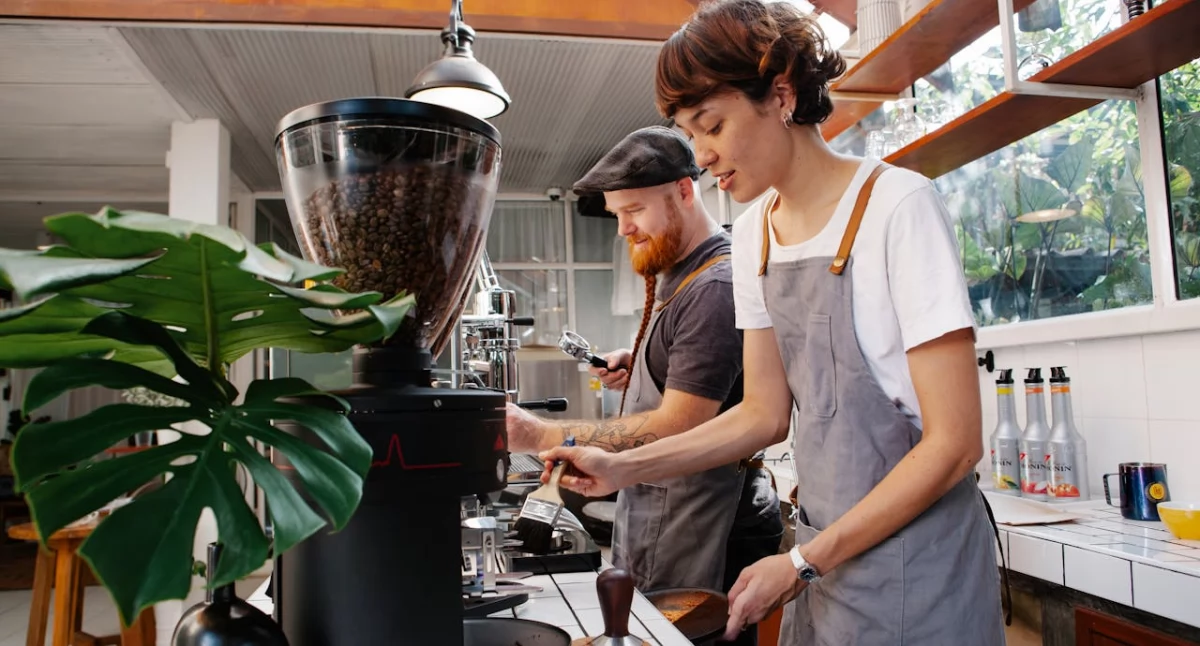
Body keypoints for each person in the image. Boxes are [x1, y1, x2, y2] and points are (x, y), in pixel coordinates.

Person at [536, 1, 1007, 644]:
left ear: (780, 94)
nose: (701, 156)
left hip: (919, 562)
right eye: (688, 132)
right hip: (825, 559)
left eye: (712, 125)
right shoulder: (754, 232)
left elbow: (955, 444)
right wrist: (622, 469)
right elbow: (762, 414)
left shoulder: (898, 207)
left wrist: (803, 561)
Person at [505, 126, 783, 645]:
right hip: (667, 517)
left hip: (704, 524)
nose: (623, 229)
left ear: (683, 190)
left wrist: (540, 435)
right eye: (617, 214)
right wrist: (644, 367)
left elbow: (681, 423)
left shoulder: (714, 288)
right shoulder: (682, 277)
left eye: (633, 210)